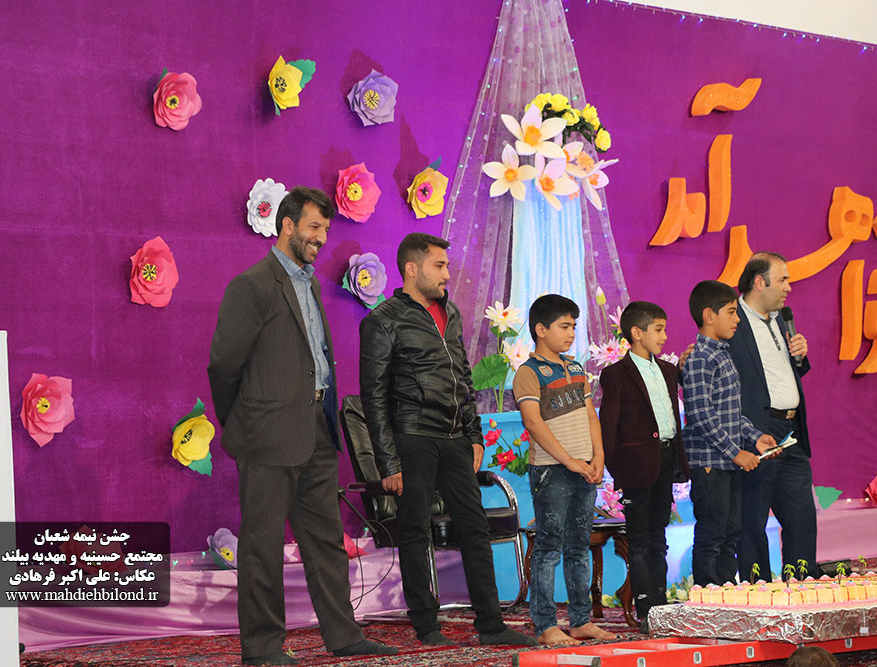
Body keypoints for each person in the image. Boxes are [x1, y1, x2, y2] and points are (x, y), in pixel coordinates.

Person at [208, 186, 396, 665]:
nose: (321, 238)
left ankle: (344, 635)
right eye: (314, 227)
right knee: (263, 545)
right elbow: (224, 366)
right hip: (266, 434)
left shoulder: (309, 283)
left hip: (316, 429)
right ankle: (262, 648)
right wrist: (242, 424)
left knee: (326, 541)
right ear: (288, 225)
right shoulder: (251, 285)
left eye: (326, 230)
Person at [358, 232, 536, 647]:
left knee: (474, 528)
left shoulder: (450, 312)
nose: (447, 275)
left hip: (456, 438)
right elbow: (374, 396)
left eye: (447, 266)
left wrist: (475, 436)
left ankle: (491, 624)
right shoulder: (382, 320)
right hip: (413, 437)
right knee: (414, 531)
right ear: (411, 269)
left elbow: (462, 378)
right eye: (439, 266)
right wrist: (389, 463)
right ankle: (426, 625)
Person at [513, 294, 617, 646]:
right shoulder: (528, 373)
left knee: (578, 546)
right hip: (551, 470)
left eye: (574, 326)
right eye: (564, 326)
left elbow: (590, 416)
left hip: (584, 468)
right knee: (548, 548)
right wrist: (570, 461)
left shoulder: (575, 369)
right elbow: (533, 422)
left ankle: (581, 621)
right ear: (541, 330)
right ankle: (545, 624)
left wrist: (598, 456)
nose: (571, 333)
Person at [599, 301, 689, 632]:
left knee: (658, 536)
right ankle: (646, 608)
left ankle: (661, 604)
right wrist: (619, 470)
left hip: (665, 459)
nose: (664, 336)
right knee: (639, 539)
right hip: (635, 467)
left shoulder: (667, 371)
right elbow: (609, 427)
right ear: (637, 333)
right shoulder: (616, 374)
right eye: (658, 329)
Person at [682, 280, 776, 587]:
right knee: (712, 533)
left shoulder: (722, 354)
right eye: (731, 312)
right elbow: (701, 415)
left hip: (728, 462)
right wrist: (736, 453)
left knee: (730, 531)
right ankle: (707, 597)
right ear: (709, 316)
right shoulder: (700, 358)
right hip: (711, 463)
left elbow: (730, 414)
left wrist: (754, 437)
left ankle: (726, 593)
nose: (737, 319)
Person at [730, 252, 815, 583]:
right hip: (756, 430)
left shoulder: (782, 319)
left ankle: (804, 586)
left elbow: (781, 373)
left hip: (791, 430)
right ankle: (758, 591)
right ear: (759, 282)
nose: (788, 288)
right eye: (783, 280)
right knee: (752, 520)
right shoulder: (732, 319)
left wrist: (801, 355)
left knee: (801, 515)